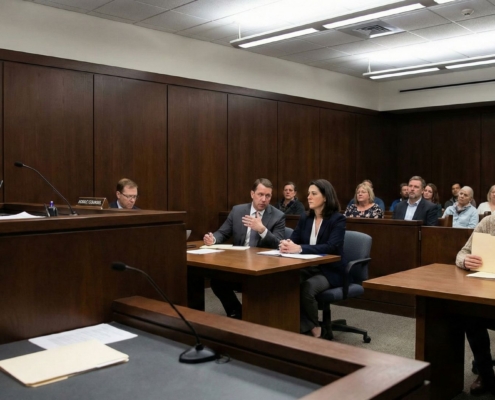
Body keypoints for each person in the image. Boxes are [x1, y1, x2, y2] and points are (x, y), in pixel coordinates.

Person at [203, 178, 285, 319]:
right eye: (260, 194)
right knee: (217, 281)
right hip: (239, 263)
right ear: (252, 194)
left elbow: (279, 243)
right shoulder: (238, 211)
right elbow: (223, 232)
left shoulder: (278, 216)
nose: (264, 199)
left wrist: (262, 230)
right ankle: (237, 312)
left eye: (268, 196)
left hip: (263, 268)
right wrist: (213, 238)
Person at [279, 179, 346, 338]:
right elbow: (294, 239)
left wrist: (300, 249)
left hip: (329, 270)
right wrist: (287, 244)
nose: (309, 196)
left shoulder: (337, 219)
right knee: (285, 281)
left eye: (314, 193)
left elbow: (332, 247)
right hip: (307, 267)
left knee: (307, 287)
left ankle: (315, 329)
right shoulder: (305, 217)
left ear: (325, 197)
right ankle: (290, 324)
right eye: (308, 193)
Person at [456, 214, 495, 396]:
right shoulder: (489, 221)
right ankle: (486, 375)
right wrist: (465, 261)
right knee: (470, 316)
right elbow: (463, 252)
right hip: (487, 290)